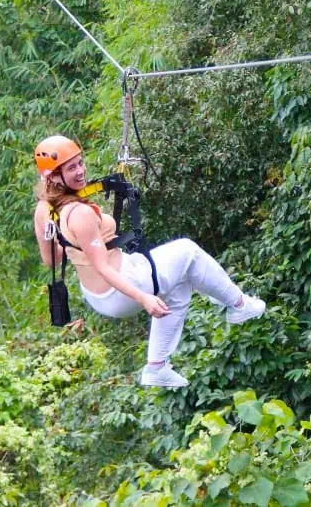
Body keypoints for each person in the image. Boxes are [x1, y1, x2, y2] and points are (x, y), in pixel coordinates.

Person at [32, 135, 266, 388]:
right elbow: (101, 266)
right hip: (118, 288)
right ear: (53, 177)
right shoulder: (80, 214)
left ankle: (156, 367)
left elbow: (51, 259)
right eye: (71, 168)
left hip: (96, 292)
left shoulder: (46, 209)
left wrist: (66, 240)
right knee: (188, 251)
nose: (81, 171)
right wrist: (143, 298)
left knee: (178, 285)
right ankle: (239, 305)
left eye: (80, 163)